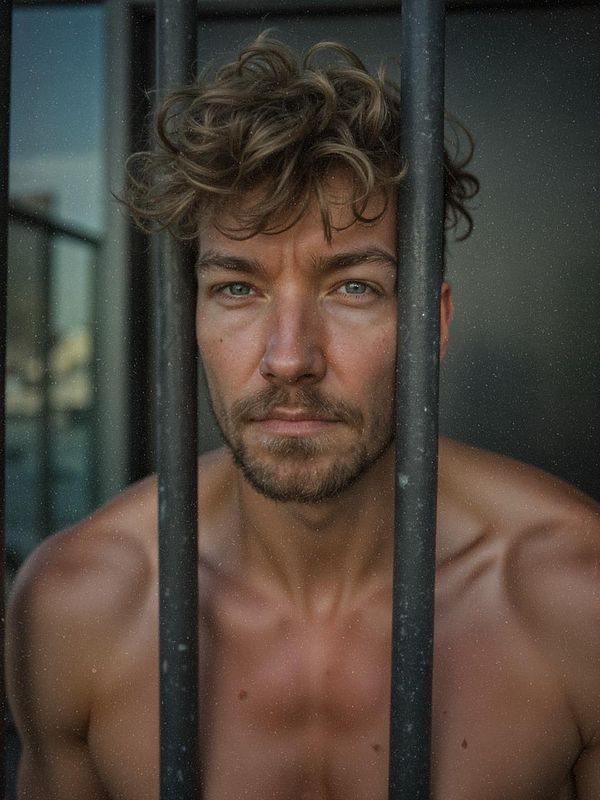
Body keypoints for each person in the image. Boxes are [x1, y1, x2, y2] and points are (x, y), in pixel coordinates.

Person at [7, 34, 600, 800]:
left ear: (433, 324)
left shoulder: (574, 595)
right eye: (237, 289)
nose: (289, 358)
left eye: (352, 287)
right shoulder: (79, 605)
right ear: (192, 319)